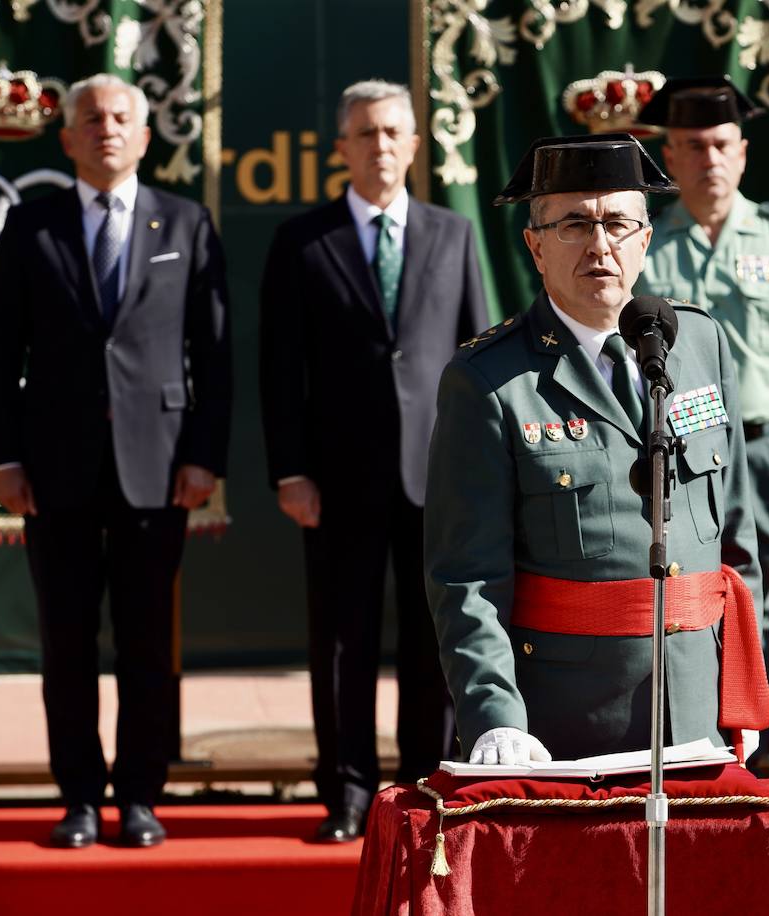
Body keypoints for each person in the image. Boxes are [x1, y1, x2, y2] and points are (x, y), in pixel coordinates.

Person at [424, 133, 769, 766]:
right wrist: (495, 716)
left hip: (698, 708)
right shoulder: (490, 381)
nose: (599, 244)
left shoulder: (697, 344)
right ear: (534, 245)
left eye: (617, 222)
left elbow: (737, 536)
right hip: (565, 719)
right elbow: (466, 577)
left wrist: (741, 684)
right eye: (574, 224)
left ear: (645, 237)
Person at [0, 73, 233, 849]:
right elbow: (1, 355)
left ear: (146, 136)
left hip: (156, 470)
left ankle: (140, 797)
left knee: (147, 643)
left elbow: (212, 355)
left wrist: (203, 457)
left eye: (122, 117)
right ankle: (80, 799)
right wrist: (4, 459)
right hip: (54, 470)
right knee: (67, 643)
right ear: (66, 139)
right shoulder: (29, 226)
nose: (107, 129)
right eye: (91, 119)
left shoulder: (185, 223)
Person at [259, 80, 487, 843]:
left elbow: (478, 358)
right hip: (337, 478)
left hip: (438, 477)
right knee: (341, 640)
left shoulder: (453, 235)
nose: (380, 146)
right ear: (342, 147)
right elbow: (278, 368)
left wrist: (484, 469)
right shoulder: (302, 241)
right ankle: (349, 790)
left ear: (416, 146)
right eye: (365, 133)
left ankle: (427, 784)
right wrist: (290, 469)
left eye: (393, 132)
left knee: (435, 637)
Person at [633, 77, 769, 679]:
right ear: (669, 155)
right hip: (673, 446)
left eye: (723, 145)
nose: (710, 159)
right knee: (678, 583)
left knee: (766, 590)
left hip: (765, 444)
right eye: (694, 146)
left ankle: (758, 743)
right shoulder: (643, 242)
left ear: (743, 152)